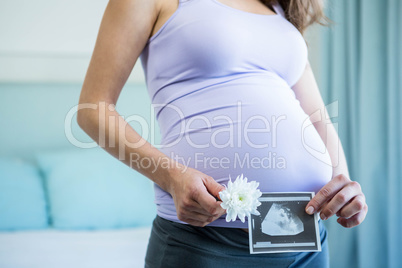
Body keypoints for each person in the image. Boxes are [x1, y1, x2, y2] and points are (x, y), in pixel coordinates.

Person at [77, 0, 368, 267]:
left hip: (304, 242)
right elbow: (93, 110)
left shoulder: (280, 12)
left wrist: (342, 184)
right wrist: (172, 176)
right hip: (204, 242)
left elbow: (318, 119)